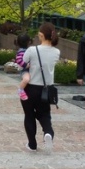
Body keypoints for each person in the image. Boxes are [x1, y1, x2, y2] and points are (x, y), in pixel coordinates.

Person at [21, 22, 60, 153]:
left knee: (29, 115)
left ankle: (32, 144)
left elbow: (22, 63)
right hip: (46, 89)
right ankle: (48, 133)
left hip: (30, 88)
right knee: (45, 114)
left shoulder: (32, 50)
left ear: (41, 35)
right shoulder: (56, 52)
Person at [15, 33, 32, 100]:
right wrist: (26, 65)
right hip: (25, 70)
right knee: (26, 79)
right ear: (29, 42)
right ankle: (20, 90)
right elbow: (18, 60)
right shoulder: (21, 51)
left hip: (29, 70)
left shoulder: (29, 50)